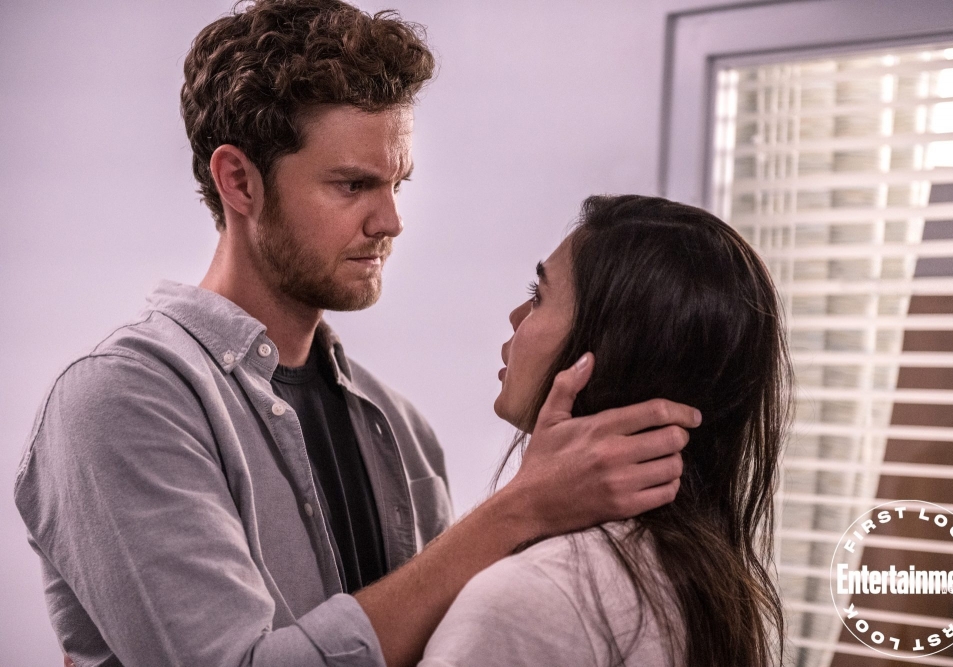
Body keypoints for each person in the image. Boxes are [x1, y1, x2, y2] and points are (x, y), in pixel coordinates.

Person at [13, 3, 701, 667]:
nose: (391, 221)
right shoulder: (121, 402)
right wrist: (519, 508)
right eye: (352, 185)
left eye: (398, 183)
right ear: (239, 181)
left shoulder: (400, 427)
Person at [420, 195, 792, 667]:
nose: (516, 315)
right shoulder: (705, 586)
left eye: (538, 295)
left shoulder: (528, 601)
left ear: (609, 353)